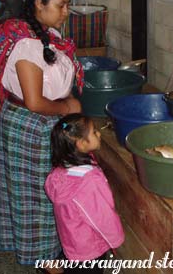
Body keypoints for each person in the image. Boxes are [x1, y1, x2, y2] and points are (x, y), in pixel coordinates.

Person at [0, 0, 85, 272]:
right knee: (39, 198)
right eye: (61, 5)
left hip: (41, 125)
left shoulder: (46, 36)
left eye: (68, 5)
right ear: (39, 3)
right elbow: (36, 101)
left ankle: (51, 254)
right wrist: (67, 105)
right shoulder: (27, 46)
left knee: (49, 193)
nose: (67, 12)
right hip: (31, 128)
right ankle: (49, 262)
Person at [45, 114, 125, 273]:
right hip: (90, 248)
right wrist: (115, 240)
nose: (99, 133)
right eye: (94, 132)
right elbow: (101, 217)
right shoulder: (89, 181)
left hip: (71, 239)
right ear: (81, 144)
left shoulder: (61, 170)